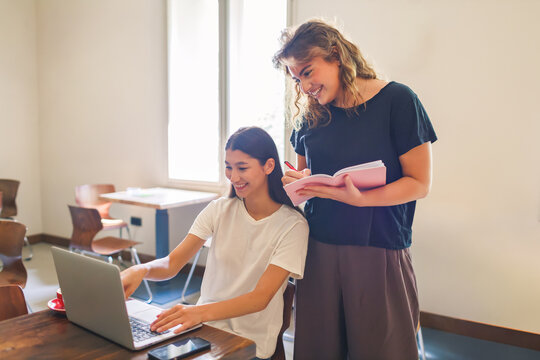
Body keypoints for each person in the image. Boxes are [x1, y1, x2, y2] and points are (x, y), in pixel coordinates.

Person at [273, 19, 437, 360]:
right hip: (318, 249)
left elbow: (419, 183)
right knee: (319, 351)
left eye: (307, 72)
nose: (303, 87)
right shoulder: (310, 117)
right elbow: (302, 171)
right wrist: (296, 180)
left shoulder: (398, 100)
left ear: (335, 55)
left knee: (382, 350)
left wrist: (363, 200)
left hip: (378, 248)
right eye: (296, 78)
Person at [120, 126, 309, 360]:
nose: (233, 176)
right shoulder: (219, 209)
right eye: (228, 167)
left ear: (268, 166)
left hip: (249, 343)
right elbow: (172, 263)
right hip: (203, 330)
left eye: (242, 167)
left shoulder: (293, 225)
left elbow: (260, 298)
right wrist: (141, 269)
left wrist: (198, 312)